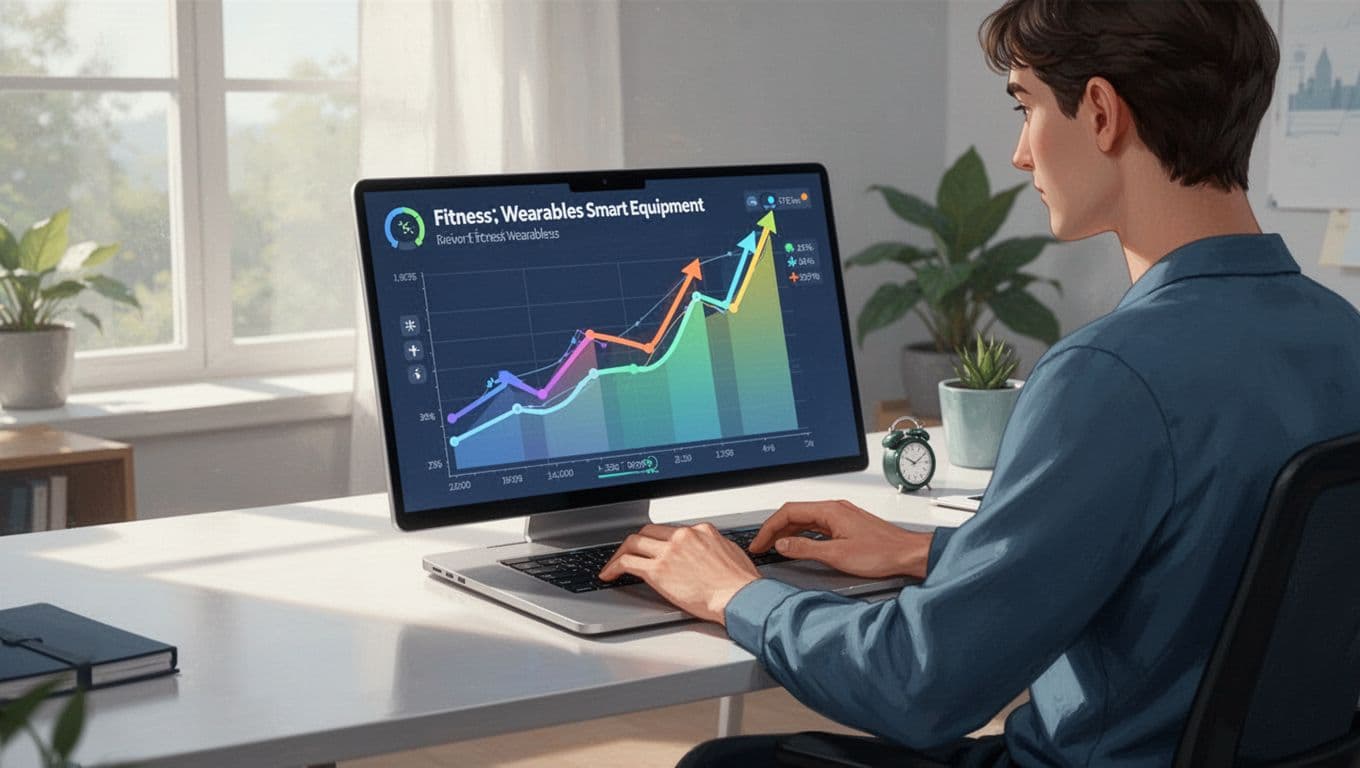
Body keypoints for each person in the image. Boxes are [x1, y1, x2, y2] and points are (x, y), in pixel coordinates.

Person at [599, 0, 1360, 765]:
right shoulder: (1342, 335)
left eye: (1025, 106)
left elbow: (920, 686)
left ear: (1100, 112)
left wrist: (735, 593)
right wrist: (930, 553)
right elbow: (1203, 568)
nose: (1021, 154)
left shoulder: (1111, 375)